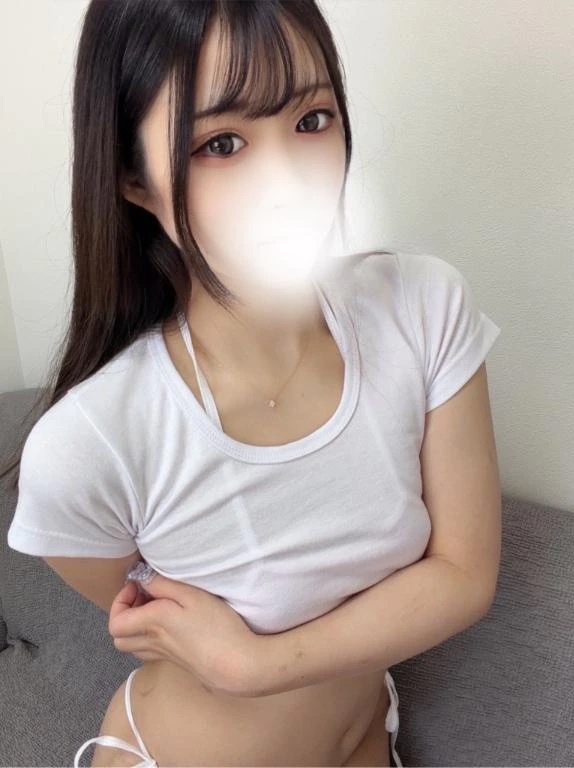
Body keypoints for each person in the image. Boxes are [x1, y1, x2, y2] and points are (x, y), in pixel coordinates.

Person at [4, 1, 502, 766]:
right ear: (133, 177)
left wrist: (253, 665)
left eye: (311, 119)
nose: (289, 183)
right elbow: (139, 616)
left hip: (369, 738)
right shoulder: (91, 443)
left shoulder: (423, 309)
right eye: (222, 143)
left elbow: (465, 574)